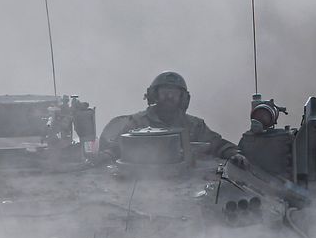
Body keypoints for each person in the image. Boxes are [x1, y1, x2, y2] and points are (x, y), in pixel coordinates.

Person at [94, 71, 247, 167]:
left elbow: (216, 144)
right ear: (154, 95)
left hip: (186, 179)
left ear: (182, 98)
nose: (169, 97)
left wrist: (233, 153)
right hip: (141, 179)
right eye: (165, 92)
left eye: (174, 93)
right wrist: (107, 155)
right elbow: (120, 146)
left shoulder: (194, 125)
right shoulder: (138, 122)